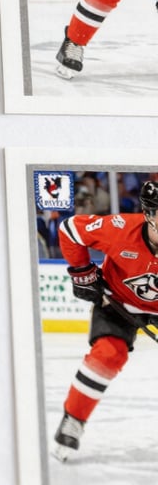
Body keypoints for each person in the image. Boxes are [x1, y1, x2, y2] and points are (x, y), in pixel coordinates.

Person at [52, 180, 158, 461]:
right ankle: (73, 419)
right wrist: (82, 272)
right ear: (149, 214)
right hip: (117, 300)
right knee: (108, 354)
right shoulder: (122, 229)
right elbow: (71, 230)